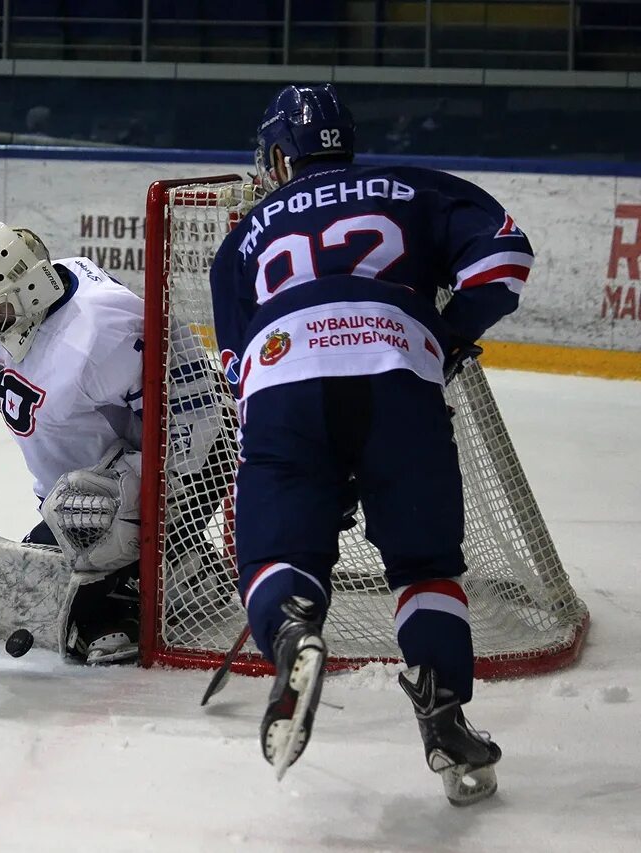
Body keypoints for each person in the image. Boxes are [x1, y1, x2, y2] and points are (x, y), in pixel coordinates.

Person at [209, 84, 531, 804]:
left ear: (280, 160)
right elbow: (504, 262)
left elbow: (239, 373)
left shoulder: (243, 236)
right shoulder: (416, 188)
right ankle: (446, 717)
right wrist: (443, 335)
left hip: (286, 380)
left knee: (274, 556)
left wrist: (323, 465)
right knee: (424, 565)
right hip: (399, 376)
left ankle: (294, 634)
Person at [0, 223, 225, 664]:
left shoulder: (103, 330)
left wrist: (138, 508)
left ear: (33, 290)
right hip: (83, 488)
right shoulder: (14, 309)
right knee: (35, 591)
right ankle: (179, 564)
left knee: (84, 613)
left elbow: (195, 421)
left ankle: (175, 569)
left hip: (194, 458)